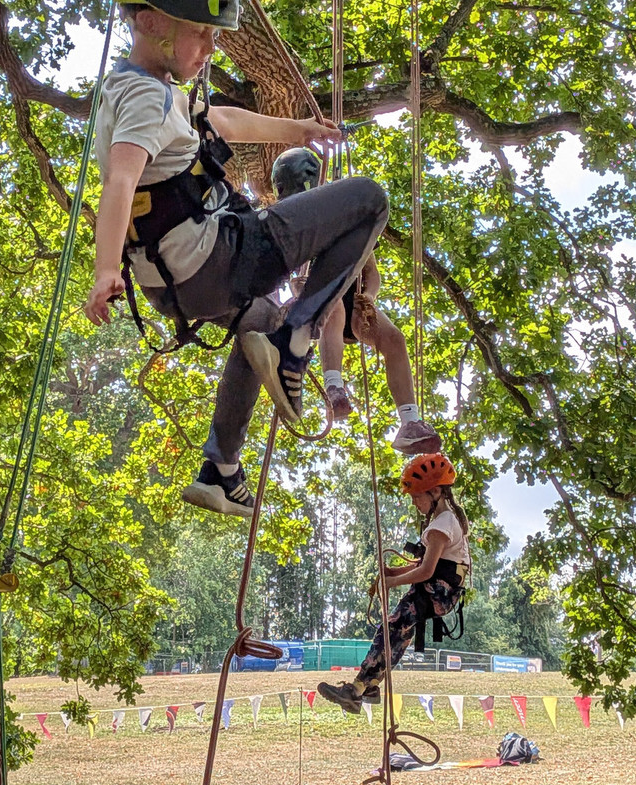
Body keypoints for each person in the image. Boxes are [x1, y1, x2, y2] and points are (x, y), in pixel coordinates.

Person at [83, 0, 389, 518]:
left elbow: (219, 120)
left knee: (262, 322)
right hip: (215, 259)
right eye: (200, 33)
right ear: (150, 22)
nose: (211, 47)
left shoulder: (145, 89)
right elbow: (121, 179)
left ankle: (221, 471)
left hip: (174, 284)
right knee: (368, 200)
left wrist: (298, 131)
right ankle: (298, 341)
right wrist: (104, 268)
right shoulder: (144, 98)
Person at [270, 148, 440, 455]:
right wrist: (298, 290)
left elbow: (371, 272)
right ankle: (334, 387)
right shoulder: (293, 226)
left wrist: (369, 299)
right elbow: (285, 274)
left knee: (394, 339)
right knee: (332, 306)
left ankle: (410, 422)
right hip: (324, 300)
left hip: (354, 296)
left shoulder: (345, 219)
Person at [317, 453, 471, 713]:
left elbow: (426, 571)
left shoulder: (441, 525)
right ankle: (368, 685)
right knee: (397, 633)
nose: (415, 503)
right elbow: (429, 565)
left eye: (417, 497)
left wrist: (391, 582)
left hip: (436, 591)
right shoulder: (445, 521)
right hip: (440, 591)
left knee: (391, 629)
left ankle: (356, 689)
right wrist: (392, 571)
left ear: (435, 492)